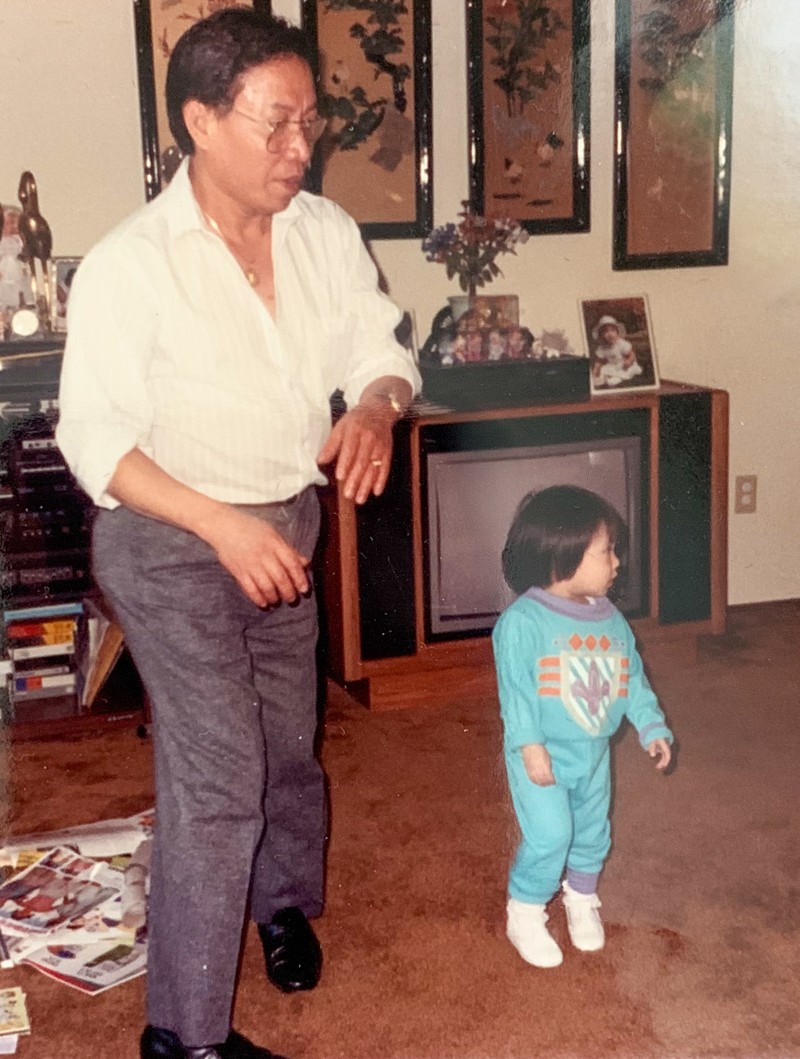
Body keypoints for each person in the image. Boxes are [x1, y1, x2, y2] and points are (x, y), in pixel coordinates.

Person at [56, 9, 419, 1059]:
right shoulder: (130, 265)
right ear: (200, 122)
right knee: (217, 775)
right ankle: (184, 1035)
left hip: (283, 529)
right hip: (171, 538)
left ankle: (280, 903)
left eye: (310, 122)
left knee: (286, 751)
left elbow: (378, 346)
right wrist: (220, 526)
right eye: (275, 124)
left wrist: (375, 406)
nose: (300, 147)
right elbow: (95, 440)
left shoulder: (324, 232)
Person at [492, 485, 673, 969]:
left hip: (593, 752)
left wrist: (651, 725)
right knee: (551, 834)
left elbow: (631, 678)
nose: (617, 563)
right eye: (606, 552)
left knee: (592, 830)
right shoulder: (523, 622)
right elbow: (517, 692)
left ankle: (581, 897)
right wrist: (530, 745)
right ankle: (525, 910)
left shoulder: (611, 620)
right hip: (541, 752)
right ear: (562, 556)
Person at [590, 314, 643, 388]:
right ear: (601, 335)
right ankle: (603, 379)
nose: (610, 334)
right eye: (605, 332)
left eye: (613, 330)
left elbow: (632, 354)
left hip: (623, 364)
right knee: (603, 370)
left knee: (623, 371)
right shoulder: (602, 347)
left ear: (617, 332)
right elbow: (599, 360)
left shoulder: (621, 343)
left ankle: (614, 379)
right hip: (612, 365)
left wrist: (629, 361)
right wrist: (596, 368)